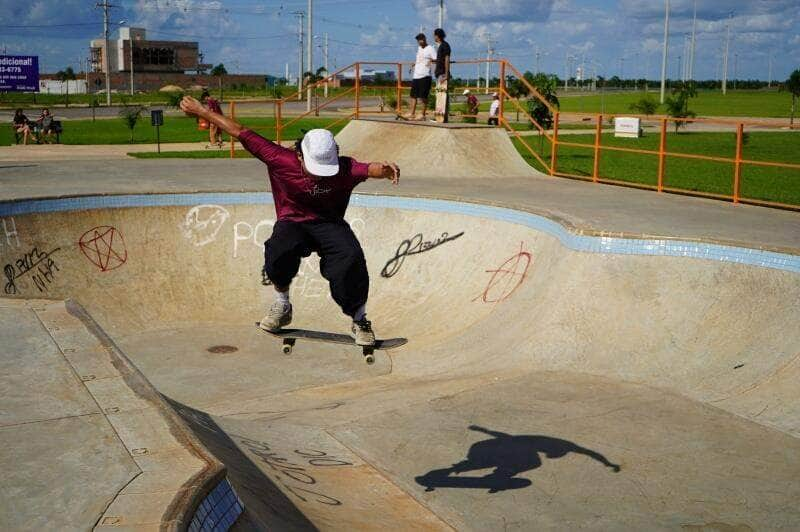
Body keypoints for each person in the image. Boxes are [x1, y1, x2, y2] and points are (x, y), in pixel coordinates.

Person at [178, 95, 401, 346]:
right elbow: (240, 131)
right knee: (278, 249)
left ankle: (359, 319)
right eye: (314, 171)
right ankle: (282, 305)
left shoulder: (344, 168)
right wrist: (202, 111)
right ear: (300, 155)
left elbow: (368, 169)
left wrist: (383, 170)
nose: (319, 178)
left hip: (329, 224)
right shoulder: (279, 159)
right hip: (292, 221)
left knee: (350, 257)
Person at [408, 33, 436, 120]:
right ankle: (412, 113)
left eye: (421, 39)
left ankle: (422, 115)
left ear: (425, 39)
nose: (420, 42)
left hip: (425, 76)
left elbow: (436, 58)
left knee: (423, 96)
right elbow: (419, 59)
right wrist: (414, 64)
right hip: (416, 75)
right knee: (413, 96)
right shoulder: (419, 48)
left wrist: (431, 60)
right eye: (418, 40)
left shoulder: (430, 48)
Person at [433, 28, 451, 122]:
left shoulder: (445, 45)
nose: (434, 37)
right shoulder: (440, 46)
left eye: (434, 35)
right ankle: (439, 116)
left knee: (443, 96)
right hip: (439, 73)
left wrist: (446, 74)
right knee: (439, 95)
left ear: (437, 35)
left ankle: (443, 118)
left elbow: (447, 59)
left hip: (443, 73)